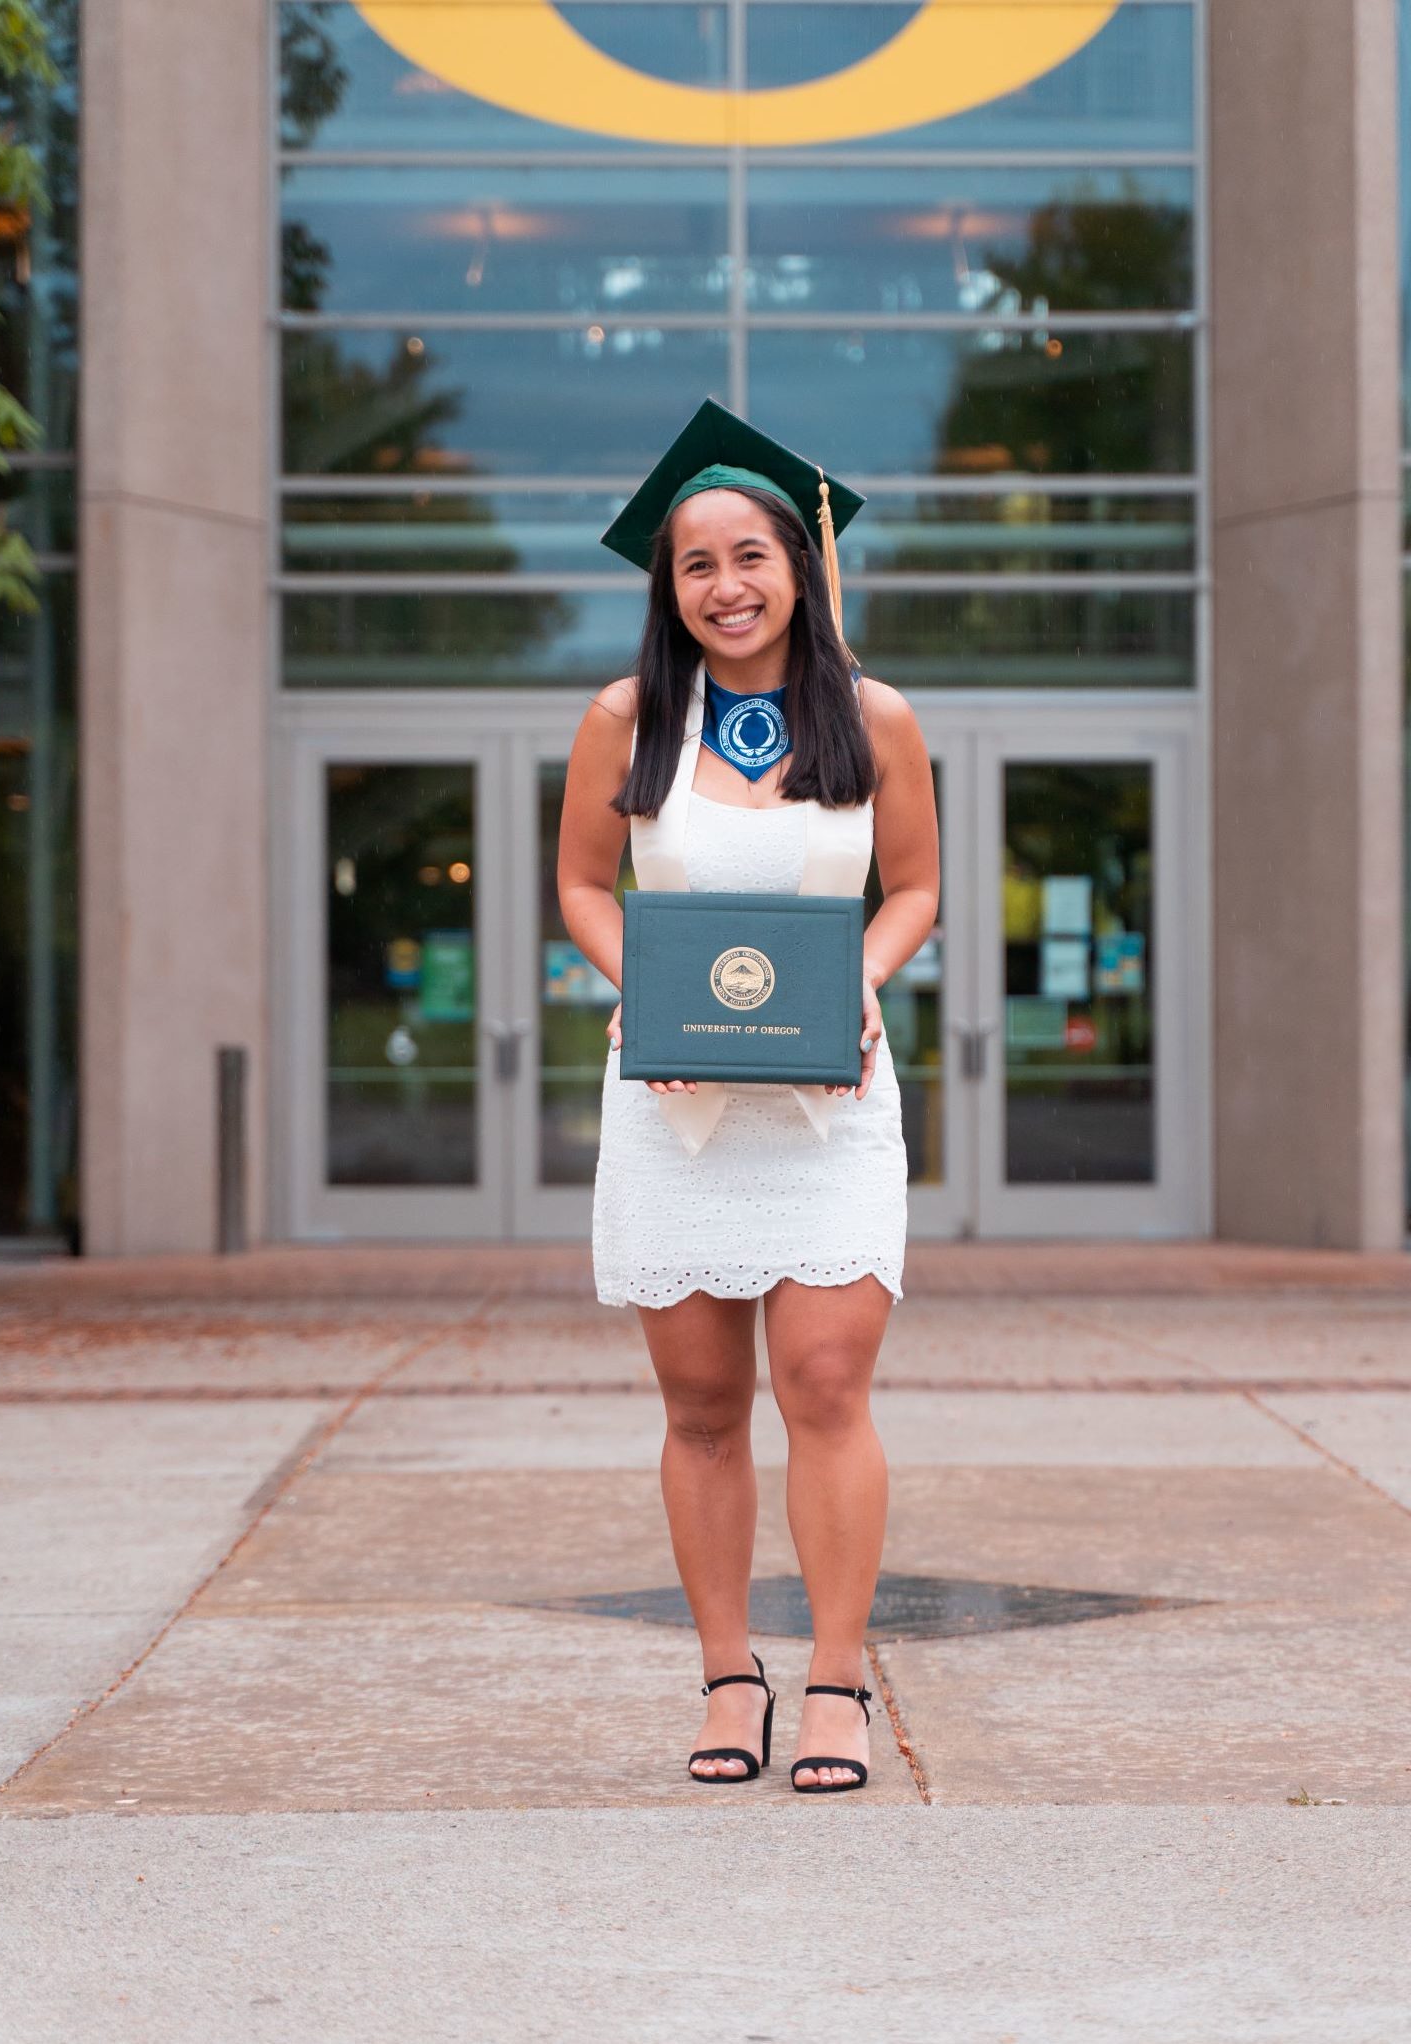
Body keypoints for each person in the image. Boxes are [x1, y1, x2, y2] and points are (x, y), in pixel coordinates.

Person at [557, 399, 940, 1793]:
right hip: (672, 1105)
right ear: (669, 589)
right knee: (703, 1403)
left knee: (824, 1382)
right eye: (694, 564)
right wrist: (632, 989)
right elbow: (581, 887)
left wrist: (860, 980)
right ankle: (730, 1674)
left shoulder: (875, 718)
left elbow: (914, 888)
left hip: (830, 1102)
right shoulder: (626, 720)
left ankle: (833, 1682)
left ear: (797, 563)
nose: (724, 585)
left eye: (748, 556)